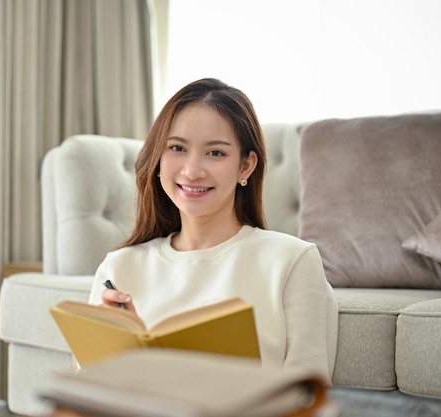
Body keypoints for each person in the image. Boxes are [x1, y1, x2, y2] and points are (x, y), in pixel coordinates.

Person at [87, 78, 338, 384]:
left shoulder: (292, 261)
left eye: (215, 153)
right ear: (158, 159)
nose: (192, 171)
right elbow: (87, 394)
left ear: (246, 166)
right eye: (177, 148)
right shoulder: (120, 267)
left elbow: (308, 396)